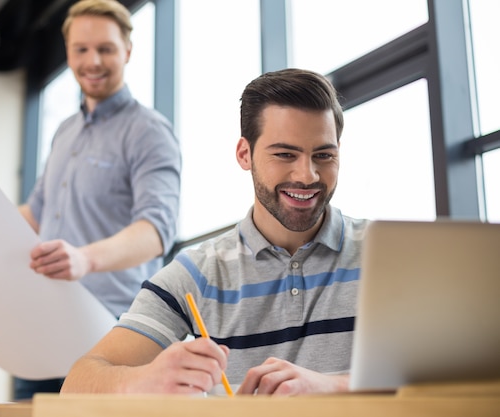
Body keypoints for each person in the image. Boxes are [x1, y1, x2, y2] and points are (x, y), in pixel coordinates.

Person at [60, 68, 369, 396]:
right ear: (244, 154)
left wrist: (331, 386)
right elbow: (77, 385)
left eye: (324, 155)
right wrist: (145, 379)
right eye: (285, 154)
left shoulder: (388, 253)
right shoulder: (197, 274)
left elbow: (431, 381)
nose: (307, 176)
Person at [16, 0, 181, 399]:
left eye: (105, 48)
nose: (93, 60)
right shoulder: (65, 132)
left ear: (127, 50)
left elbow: (157, 230)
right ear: (69, 52)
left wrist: (84, 258)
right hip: (45, 323)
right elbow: (36, 213)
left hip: (112, 332)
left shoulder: (149, 131)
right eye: (81, 49)